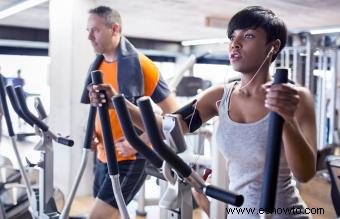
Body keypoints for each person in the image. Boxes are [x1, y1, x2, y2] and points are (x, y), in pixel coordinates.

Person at [89, 6, 317, 219]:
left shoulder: (295, 96)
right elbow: (168, 126)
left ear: (273, 46)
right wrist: (118, 103)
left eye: (247, 36)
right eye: (232, 37)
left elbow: (305, 174)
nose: (234, 44)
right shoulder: (220, 96)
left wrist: (286, 119)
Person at [81, 5, 178, 219]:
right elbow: (100, 112)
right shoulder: (97, 66)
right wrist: (92, 136)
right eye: (87, 30)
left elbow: (175, 116)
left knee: (97, 217)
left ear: (114, 29)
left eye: (95, 30)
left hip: (131, 159)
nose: (89, 36)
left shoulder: (143, 66)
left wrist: (139, 140)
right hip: (103, 157)